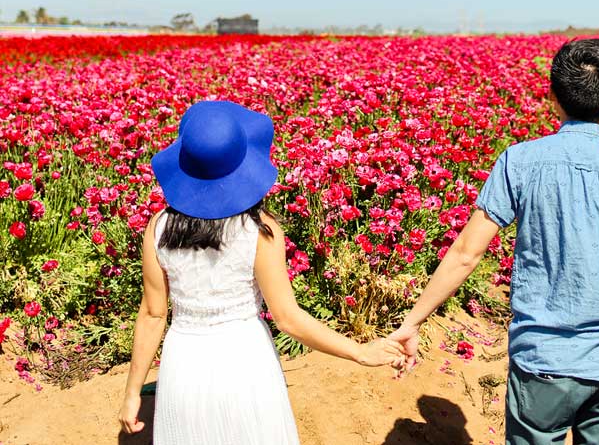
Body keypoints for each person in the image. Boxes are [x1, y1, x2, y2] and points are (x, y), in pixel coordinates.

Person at [390, 37, 599, 445]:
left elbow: (467, 253)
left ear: (552, 95)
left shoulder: (519, 162)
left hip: (543, 363)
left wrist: (411, 322)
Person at [118, 100, 404, 443]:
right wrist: (359, 351)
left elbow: (152, 314)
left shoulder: (158, 228)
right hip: (245, 364)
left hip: (185, 368)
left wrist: (133, 391)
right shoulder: (259, 230)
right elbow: (288, 319)